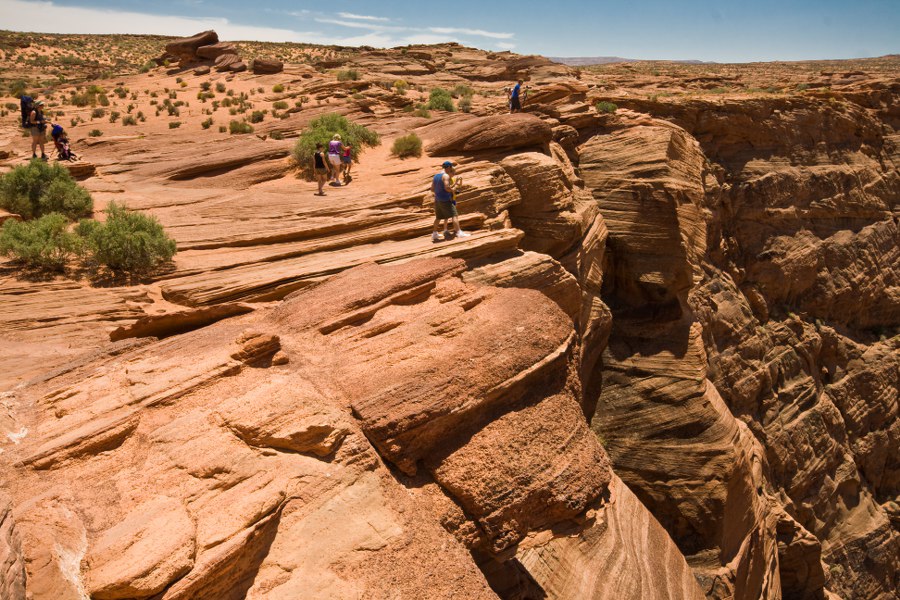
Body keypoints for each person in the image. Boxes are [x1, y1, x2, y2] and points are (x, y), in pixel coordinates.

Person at [432, 161, 470, 242]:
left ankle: (434, 234)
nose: (452, 168)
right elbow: (447, 187)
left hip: (437, 200)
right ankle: (459, 233)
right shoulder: (445, 176)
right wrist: (452, 190)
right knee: (454, 215)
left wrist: (439, 193)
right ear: (449, 167)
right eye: (451, 167)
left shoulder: (436, 176)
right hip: (445, 199)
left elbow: (432, 189)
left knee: (438, 217)